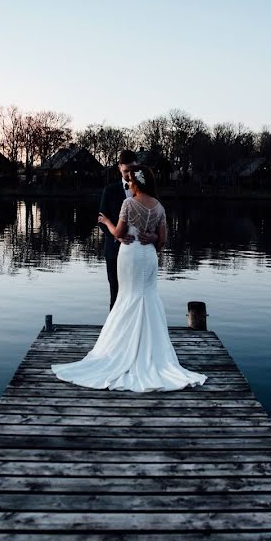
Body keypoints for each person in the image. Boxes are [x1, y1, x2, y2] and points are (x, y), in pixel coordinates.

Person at [50, 165, 207, 392]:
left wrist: (106, 222)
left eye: (131, 180)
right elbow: (162, 242)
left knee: (128, 297)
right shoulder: (159, 207)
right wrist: (152, 236)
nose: (129, 184)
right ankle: (152, 351)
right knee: (148, 297)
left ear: (137, 183)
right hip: (149, 256)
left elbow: (118, 234)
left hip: (131, 255)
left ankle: (122, 350)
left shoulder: (129, 204)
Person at [98, 150, 157, 310]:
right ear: (119, 168)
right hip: (114, 251)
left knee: (139, 294)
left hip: (141, 253)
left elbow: (157, 225)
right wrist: (118, 237)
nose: (129, 174)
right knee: (115, 293)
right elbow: (101, 220)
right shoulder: (109, 190)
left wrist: (153, 236)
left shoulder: (150, 194)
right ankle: (115, 331)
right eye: (125, 171)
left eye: (133, 170)